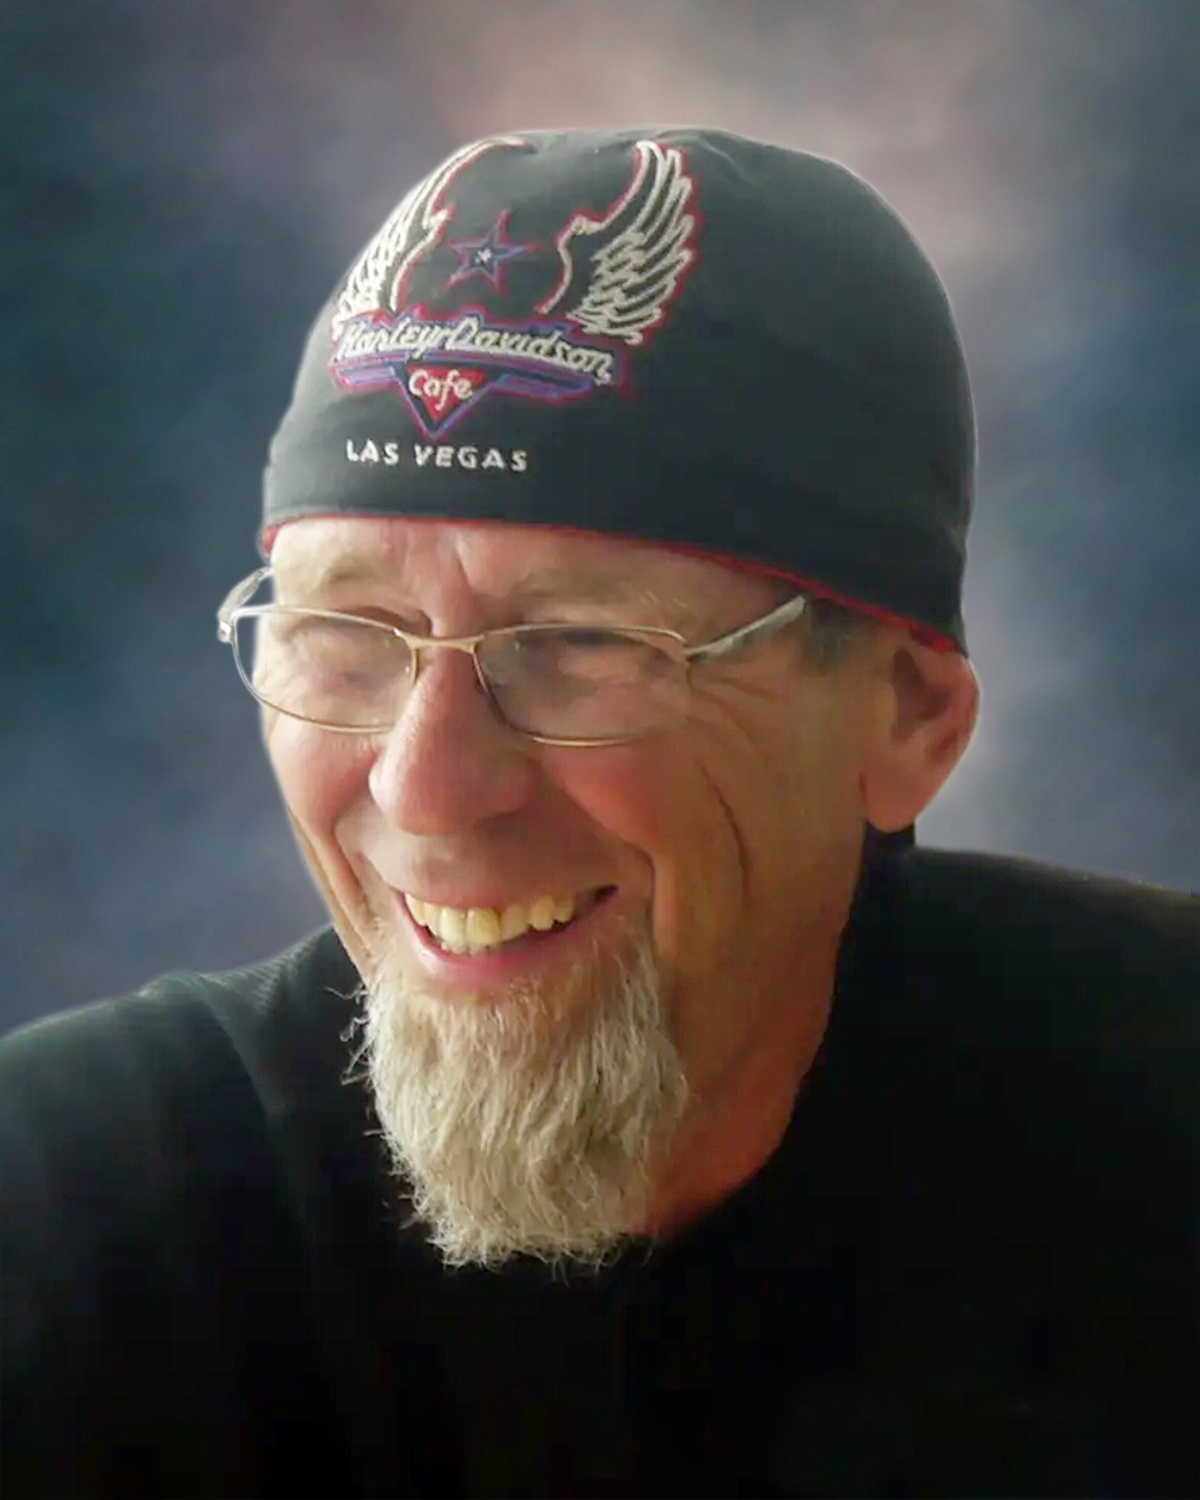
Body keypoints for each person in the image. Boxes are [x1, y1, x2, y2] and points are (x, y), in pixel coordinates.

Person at [2, 128, 1196, 1500]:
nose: (424, 787)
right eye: (347, 633)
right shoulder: (67, 1219)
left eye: (579, 644)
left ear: (907, 716)